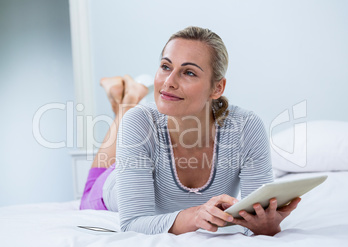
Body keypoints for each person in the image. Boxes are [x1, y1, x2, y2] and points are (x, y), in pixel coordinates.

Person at [80, 26, 300, 236]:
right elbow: (132, 224)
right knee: (125, 121)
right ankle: (127, 100)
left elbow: (253, 217)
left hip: (145, 155)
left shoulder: (247, 127)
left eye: (189, 73)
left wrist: (265, 225)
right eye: (165, 66)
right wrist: (195, 215)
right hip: (112, 183)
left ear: (217, 88)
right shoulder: (139, 122)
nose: (169, 81)